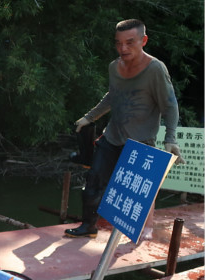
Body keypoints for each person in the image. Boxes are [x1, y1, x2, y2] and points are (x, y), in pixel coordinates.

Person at [65, 19, 182, 238]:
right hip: (112, 137)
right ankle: (88, 226)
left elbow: (170, 104)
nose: (123, 48)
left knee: (140, 191)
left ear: (143, 41)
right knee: (93, 182)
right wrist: (89, 118)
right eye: (118, 43)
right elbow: (112, 96)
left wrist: (171, 138)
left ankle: (145, 229)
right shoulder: (114, 66)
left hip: (141, 141)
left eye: (130, 42)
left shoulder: (155, 69)